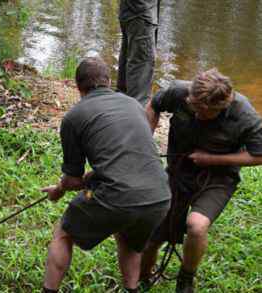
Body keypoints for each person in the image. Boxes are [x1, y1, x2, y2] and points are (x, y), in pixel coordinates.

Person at [41, 57, 171, 293]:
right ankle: (132, 289)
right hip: (160, 196)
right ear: (108, 81)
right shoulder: (133, 104)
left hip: (118, 196)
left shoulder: (74, 117)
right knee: (130, 240)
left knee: (64, 233)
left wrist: (59, 189)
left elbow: (72, 180)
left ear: (77, 86)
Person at [141, 68, 262, 293]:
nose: (195, 113)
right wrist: (146, 140)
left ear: (221, 107)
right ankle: (143, 277)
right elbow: (154, 105)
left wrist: (213, 159)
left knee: (196, 226)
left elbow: (258, 155)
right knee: (154, 229)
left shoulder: (244, 115)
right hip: (178, 173)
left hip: (218, 178)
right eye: (192, 106)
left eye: (201, 111)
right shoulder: (180, 91)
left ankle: (186, 278)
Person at [117, 0, 158, 106]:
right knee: (142, 66)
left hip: (130, 11)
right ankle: (134, 114)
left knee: (129, 58)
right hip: (140, 12)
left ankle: (121, 107)